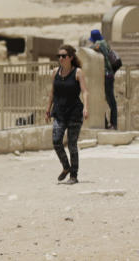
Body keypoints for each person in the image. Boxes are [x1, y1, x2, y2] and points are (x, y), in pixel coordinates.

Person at [46, 45, 89, 185]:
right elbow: (52, 92)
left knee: (71, 144)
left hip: (74, 112)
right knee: (56, 141)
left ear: (70, 57)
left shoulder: (78, 72)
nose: (60, 59)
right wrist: (48, 109)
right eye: (59, 56)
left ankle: (74, 176)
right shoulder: (55, 72)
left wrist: (86, 108)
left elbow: (85, 91)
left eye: (63, 56)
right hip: (59, 112)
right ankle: (66, 167)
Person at [89, 29, 118, 130]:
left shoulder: (99, 44)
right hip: (109, 75)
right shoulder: (105, 43)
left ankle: (113, 124)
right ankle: (107, 124)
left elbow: (90, 49)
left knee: (110, 100)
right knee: (104, 100)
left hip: (106, 75)